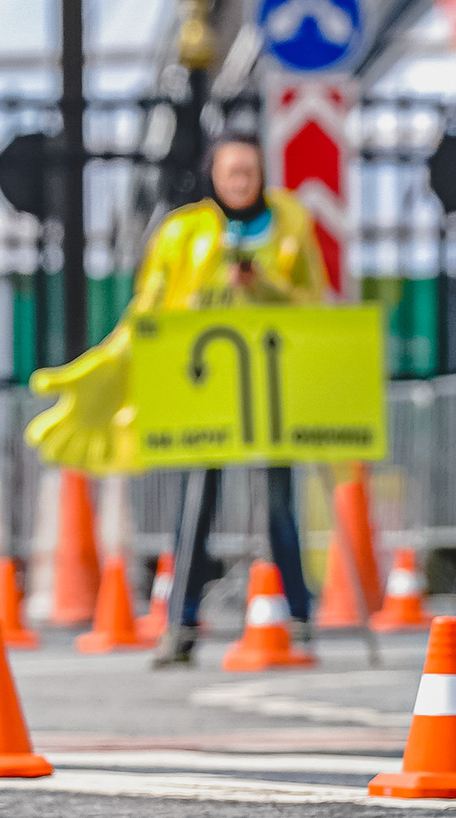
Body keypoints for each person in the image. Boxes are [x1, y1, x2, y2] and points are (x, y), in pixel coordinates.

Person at [143, 134, 335, 667]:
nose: (241, 181)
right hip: (207, 391)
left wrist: (260, 285)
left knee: (279, 503)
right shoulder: (184, 232)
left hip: (270, 390)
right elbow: (155, 307)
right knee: (195, 503)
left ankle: (297, 617)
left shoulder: (289, 225)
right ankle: (181, 624)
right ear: (214, 176)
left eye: (249, 171)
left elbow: (312, 301)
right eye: (232, 172)